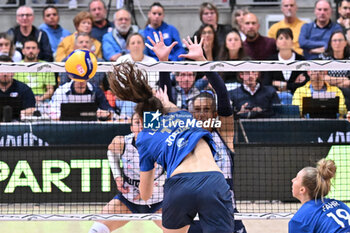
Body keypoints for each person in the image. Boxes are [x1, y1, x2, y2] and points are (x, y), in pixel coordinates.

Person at [107, 34, 235, 233]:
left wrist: (163, 62)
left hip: (180, 186)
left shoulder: (144, 138)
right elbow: (164, 103)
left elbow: (146, 195)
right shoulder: (184, 116)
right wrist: (199, 61)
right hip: (214, 183)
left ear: (141, 119)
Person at [156, 35, 246, 233]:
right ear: (190, 113)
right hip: (189, 210)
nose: (202, 113)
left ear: (214, 114)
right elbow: (164, 99)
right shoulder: (183, 132)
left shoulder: (223, 132)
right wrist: (163, 63)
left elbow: (222, 95)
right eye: (197, 109)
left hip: (223, 207)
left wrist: (202, 61)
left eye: (206, 109)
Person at [88, 113, 165, 233]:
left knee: (186, 230)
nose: (141, 127)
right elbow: (111, 152)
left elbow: (174, 169)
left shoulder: (163, 144)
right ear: (131, 127)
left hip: (159, 200)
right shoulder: (121, 142)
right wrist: (117, 176)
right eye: (137, 123)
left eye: (145, 123)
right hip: (129, 199)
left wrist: (146, 188)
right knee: (96, 229)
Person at [289, 159, 350, 232]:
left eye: (296, 178)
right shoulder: (339, 204)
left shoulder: (299, 220)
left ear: (302, 190)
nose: (292, 180)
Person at [261, 28, 309, 104]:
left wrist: (282, 84)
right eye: (281, 38)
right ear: (276, 42)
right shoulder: (271, 61)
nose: (284, 41)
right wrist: (292, 85)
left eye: (287, 38)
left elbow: (304, 84)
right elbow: (266, 83)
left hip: (297, 98)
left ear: (292, 42)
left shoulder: (301, 60)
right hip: (275, 99)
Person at [13, 39, 56, 104]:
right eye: (28, 48)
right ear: (23, 51)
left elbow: (50, 90)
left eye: (33, 48)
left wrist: (41, 98)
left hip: (41, 97)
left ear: (38, 51)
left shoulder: (46, 66)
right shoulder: (16, 66)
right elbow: (14, 88)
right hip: (22, 97)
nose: (31, 51)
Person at [49, 79, 113, 120]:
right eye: (78, 79)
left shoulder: (96, 90)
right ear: (72, 77)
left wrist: (107, 114)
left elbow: (111, 112)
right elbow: (52, 114)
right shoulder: (61, 91)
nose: (81, 83)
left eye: (83, 79)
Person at [319, 30, 350, 109]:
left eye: (340, 40)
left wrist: (332, 81)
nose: (337, 43)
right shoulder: (323, 58)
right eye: (334, 40)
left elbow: (349, 82)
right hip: (327, 90)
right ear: (331, 43)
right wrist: (344, 79)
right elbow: (323, 78)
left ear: (345, 42)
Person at [0, 55, 35, 120]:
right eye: (2, 70)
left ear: (14, 72)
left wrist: (16, 113)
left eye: (8, 70)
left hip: (18, 124)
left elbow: (32, 109)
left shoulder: (24, 89)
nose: (5, 73)